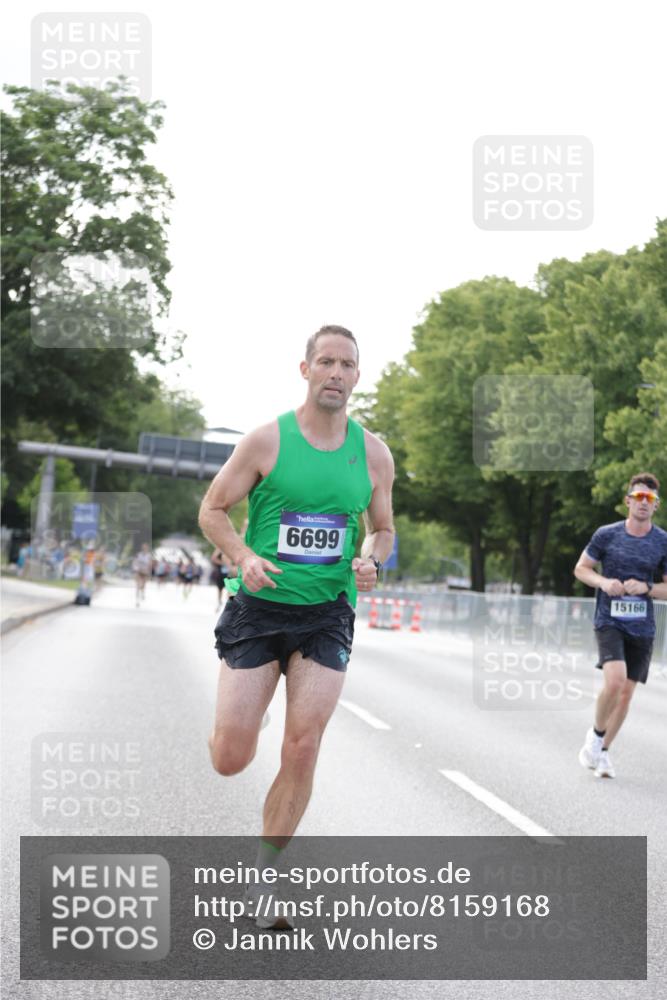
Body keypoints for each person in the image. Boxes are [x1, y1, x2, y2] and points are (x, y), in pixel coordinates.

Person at [199, 325, 394, 927]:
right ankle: (243, 712)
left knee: (303, 746)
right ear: (305, 369)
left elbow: (382, 528)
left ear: (358, 376)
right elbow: (212, 509)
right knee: (232, 756)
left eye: (348, 364)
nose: (337, 372)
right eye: (326, 362)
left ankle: (266, 883)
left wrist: (370, 561)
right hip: (258, 608)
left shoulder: (375, 453)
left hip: (326, 616)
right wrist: (244, 556)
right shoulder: (266, 440)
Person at [575, 473, 667, 779]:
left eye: (649, 499)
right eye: (638, 497)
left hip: (642, 626)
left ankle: (602, 752)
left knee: (626, 695)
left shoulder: (662, 542)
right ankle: (597, 735)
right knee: (614, 682)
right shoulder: (607, 534)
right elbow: (581, 568)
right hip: (609, 619)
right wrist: (603, 582)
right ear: (628, 501)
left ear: (656, 506)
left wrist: (647, 588)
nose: (643, 503)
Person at [132, 543, 153, 607]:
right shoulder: (139, 554)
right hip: (139, 571)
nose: (145, 549)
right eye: (144, 548)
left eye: (146, 548)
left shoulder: (149, 556)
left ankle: (142, 593)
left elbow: (150, 564)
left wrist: (148, 570)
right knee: (138, 585)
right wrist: (136, 568)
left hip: (145, 572)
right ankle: (137, 600)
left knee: (143, 585)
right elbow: (135, 561)